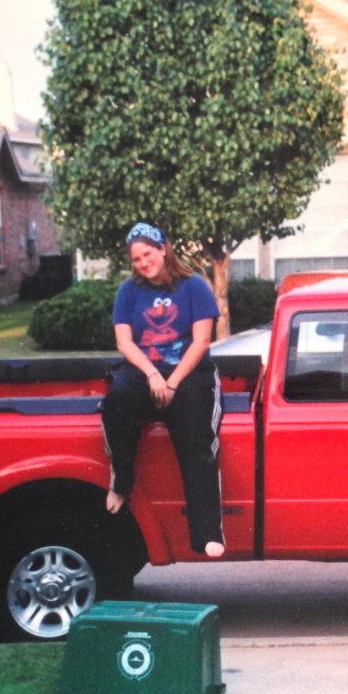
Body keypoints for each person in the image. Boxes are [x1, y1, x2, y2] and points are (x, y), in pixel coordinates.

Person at [100, 221, 225, 558]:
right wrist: (154, 375)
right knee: (117, 402)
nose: (143, 263)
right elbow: (125, 343)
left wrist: (172, 382)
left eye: (148, 254)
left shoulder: (194, 286)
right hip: (147, 369)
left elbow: (201, 341)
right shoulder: (128, 291)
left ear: (163, 249)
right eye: (136, 258)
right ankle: (121, 483)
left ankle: (208, 532)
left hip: (190, 372)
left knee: (195, 436)